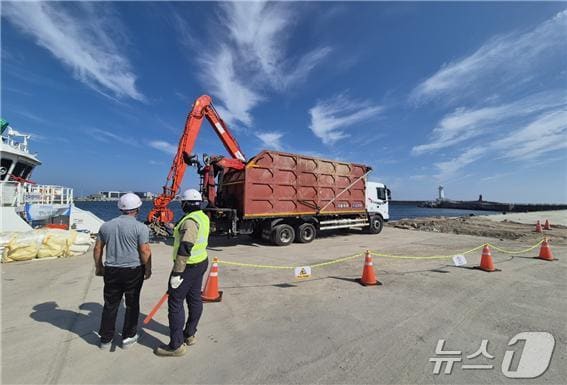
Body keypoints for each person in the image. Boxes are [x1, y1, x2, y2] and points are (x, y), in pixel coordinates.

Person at [155, 188, 210, 357]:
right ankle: (190, 334)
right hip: (200, 262)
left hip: (187, 266)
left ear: (186, 203)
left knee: (175, 302)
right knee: (194, 298)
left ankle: (176, 345)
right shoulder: (202, 216)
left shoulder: (190, 221)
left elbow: (186, 247)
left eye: (182, 203)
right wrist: (172, 227)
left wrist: (177, 273)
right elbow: (189, 233)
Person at [93, 193, 152, 350]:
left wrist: (99, 267)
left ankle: (105, 340)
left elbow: (98, 247)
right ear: (137, 209)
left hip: (112, 270)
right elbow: (145, 251)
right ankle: (128, 337)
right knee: (132, 304)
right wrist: (148, 269)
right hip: (133, 271)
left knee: (110, 304)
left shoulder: (106, 226)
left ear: (120, 208)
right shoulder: (141, 228)